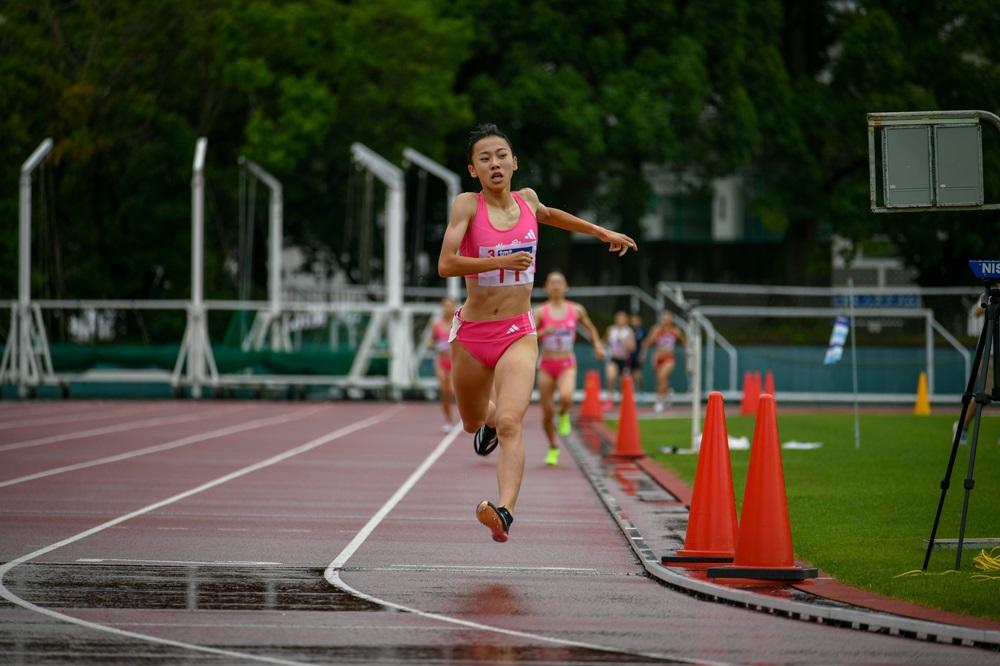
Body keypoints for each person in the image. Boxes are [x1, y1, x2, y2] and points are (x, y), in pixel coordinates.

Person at [438, 123, 636, 543]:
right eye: (485, 158)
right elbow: (446, 264)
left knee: (513, 422)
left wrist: (600, 231)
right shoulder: (467, 205)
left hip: (517, 331)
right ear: (473, 170)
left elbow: (552, 215)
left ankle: (505, 512)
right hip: (472, 335)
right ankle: (487, 425)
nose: (494, 163)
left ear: (515, 162)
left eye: (501, 155)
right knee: (473, 421)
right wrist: (499, 262)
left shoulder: (527, 200)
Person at [533, 271, 605, 466]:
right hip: (547, 365)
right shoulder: (540, 312)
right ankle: (553, 447)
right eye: (552, 282)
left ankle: (564, 414)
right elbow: (528, 335)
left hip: (566, 363)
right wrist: (543, 332)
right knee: (547, 414)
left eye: (559, 282)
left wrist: (597, 345)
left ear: (566, 287)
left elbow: (590, 328)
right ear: (546, 287)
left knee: (566, 397)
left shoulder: (576, 310)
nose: (556, 286)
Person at [642, 310, 686, 412]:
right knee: (660, 380)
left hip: (669, 358)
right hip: (657, 358)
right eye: (664, 318)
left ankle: (660, 401)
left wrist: (687, 353)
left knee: (662, 376)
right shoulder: (657, 329)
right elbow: (649, 341)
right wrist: (655, 334)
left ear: (671, 319)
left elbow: (684, 342)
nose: (666, 320)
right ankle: (667, 393)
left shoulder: (675, 331)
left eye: (668, 318)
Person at [427, 297, 457, 432]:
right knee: (444, 394)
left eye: (450, 306)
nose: (448, 309)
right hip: (441, 362)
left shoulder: (457, 323)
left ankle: (469, 416)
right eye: (446, 306)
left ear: (454, 308)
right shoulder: (436, 324)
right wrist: (431, 344)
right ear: (442, 308)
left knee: (453, 390)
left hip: (455, 362)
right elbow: (430, 340)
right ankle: (449, 421)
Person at [603, 310, 635, 409]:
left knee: (623, 382)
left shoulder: (628, 331)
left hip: (624, 360)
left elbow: (632, 347)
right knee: (610, 377)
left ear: (626, 320)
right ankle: (609, 399)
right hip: (613, 358)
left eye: (623, 318)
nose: (621, 320)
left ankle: (624, 401)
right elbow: (604, 341)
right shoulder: (611, 330)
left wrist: (626, 343)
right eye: (619, 318)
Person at [628, 312, 648, 396]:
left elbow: (645, 343)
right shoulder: (629, 329)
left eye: (635, 320)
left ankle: (641, 390)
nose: (633, 321)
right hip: (629, 355)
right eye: (632, 320)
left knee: (638, 373)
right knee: (630, 373)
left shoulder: (642, 330)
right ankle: (633, 391)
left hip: (638, 354)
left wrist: (643, 353)